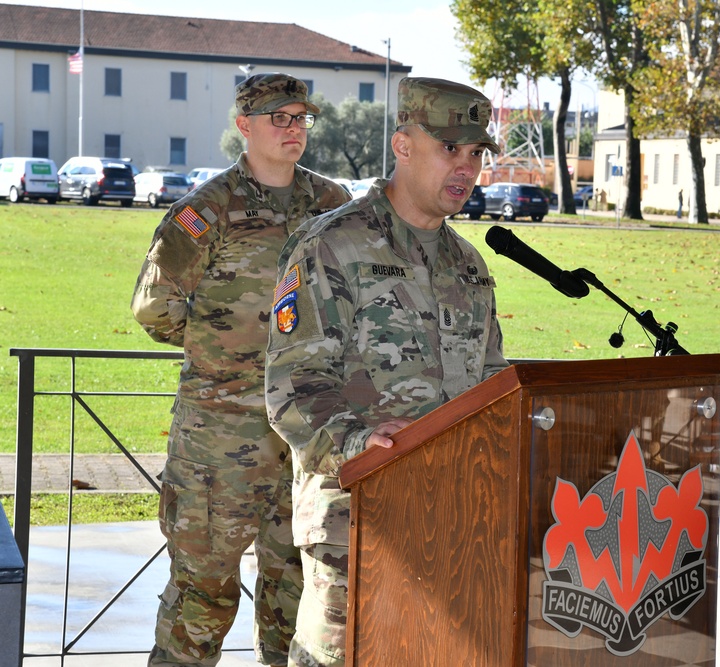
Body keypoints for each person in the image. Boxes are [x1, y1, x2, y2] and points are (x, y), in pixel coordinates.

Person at [264, 76, 508, 666]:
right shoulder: (332, 247)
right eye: (451, 149)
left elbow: (493, 381)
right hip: (356, 523)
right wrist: (360, 443)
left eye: (476, 154)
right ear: (403, 145)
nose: (466, 168)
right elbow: (292, 389)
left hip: (454, 522)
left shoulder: (468, 264)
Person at [131, 72, 352, 667]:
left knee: (298, 590)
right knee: (203, 590)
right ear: (244, 126)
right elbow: (154, 308)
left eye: (301, 118)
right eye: (279, 118)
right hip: (219, 435)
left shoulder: (332, 207)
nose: (293, 129)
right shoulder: (207, 211)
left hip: (306, 434)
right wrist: (230, 355)